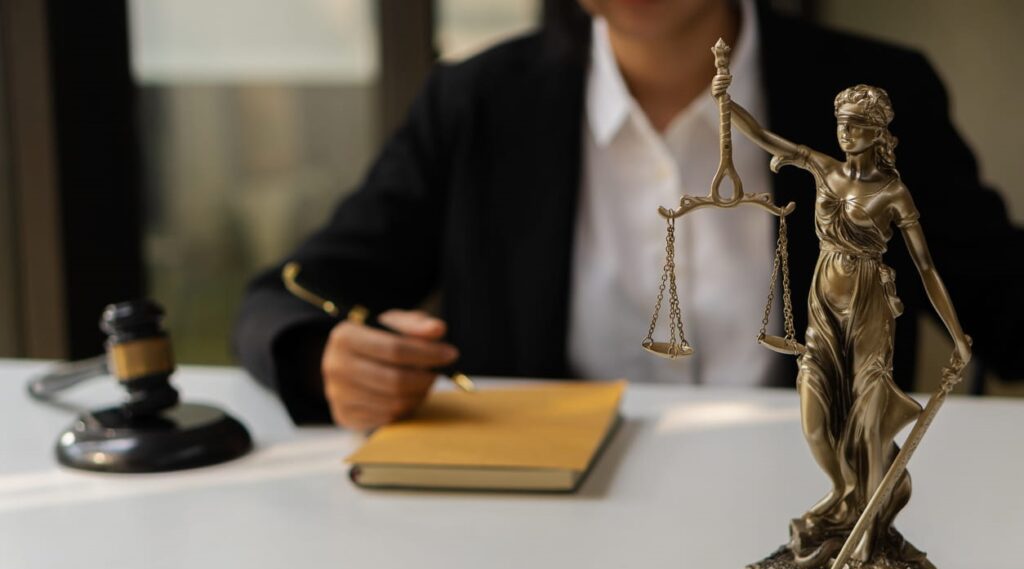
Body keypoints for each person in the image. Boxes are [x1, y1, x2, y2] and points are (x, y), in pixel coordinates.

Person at [234, 0, 1024, 430]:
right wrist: (323, 355)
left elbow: (999, 295)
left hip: (798, 509)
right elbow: (289, 294)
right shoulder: (475, 103)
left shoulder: (872, 95)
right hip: (545, 524)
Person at [724, 79, 970, 566]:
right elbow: (766, 137)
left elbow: (926, 269)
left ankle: (867, 534)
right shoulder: (824, 170)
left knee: (868, 420)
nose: (846, 133)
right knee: (815, 419)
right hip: (823, 305)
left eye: (857, 126)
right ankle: (843, 493)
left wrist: (956, 335)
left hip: (869, 309)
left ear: (878, 132)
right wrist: (726, 104)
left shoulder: (893, 193)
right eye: (842, 124)